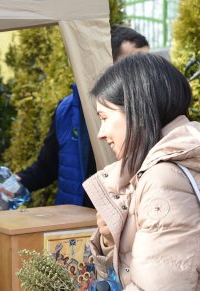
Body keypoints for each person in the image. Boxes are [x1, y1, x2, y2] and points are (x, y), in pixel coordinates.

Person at [69, 53, 200, 291]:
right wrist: (112, 238)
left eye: (105, 117)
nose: (101, 132)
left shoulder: (166, 179)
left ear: (137, 110)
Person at [16, 25, 149, 207]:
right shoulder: (67, 109)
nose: (146, 72)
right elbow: (48, 166)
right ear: (104, 64)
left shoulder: (149, 112)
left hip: (124, 219)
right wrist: (17, 182)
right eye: (135, 63)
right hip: (75, 225)